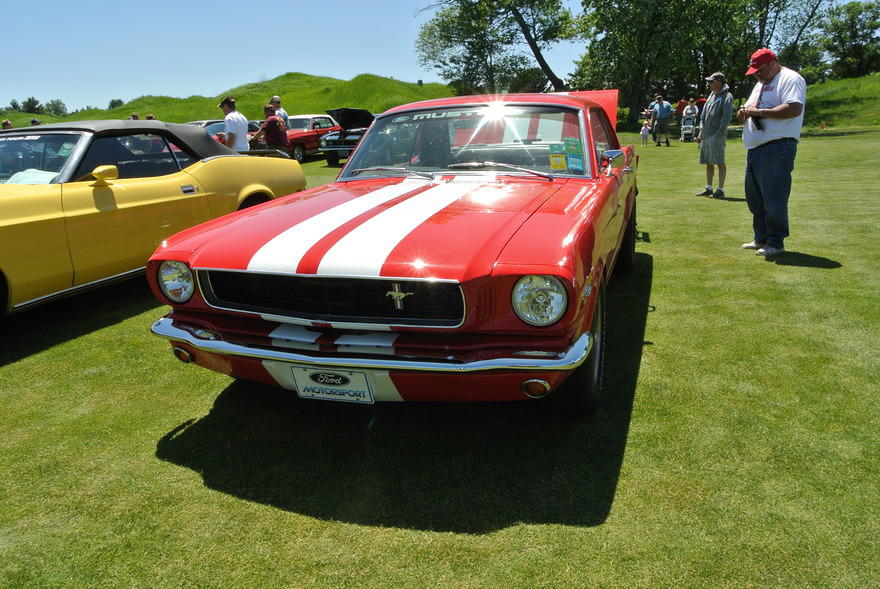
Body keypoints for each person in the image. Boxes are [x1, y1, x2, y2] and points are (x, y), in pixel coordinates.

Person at [737, 48, 806, 257]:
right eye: (755, 71)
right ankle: (761, 238)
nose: (758, 74)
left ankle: (775, 242)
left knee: (774, 197)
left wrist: (759, 112)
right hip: (756, 148)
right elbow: (751, 107)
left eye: (761, 70)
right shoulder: (760, 84)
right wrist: (744, 112)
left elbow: (794, 108)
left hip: (777, 146)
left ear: (773, 63)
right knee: (755, 198)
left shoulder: (790, 78)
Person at [695, 72, 733, 198]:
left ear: (719, 81)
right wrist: (701, 132)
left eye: (711, 81)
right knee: (708, 162)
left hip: (717, 135)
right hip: (706, 134)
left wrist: (719, 133)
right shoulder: (711, 95)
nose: (709, 84)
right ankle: (709, 188)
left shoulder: (727, 96)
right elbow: (703, 115)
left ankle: (720, 189)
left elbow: (726, 117)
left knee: (719, 162)